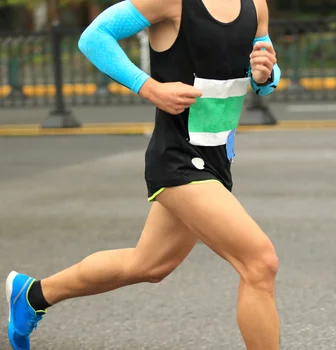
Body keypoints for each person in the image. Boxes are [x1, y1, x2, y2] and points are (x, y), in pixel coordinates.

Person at [5, 0, 281, 349]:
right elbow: (94, 37)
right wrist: (150, 87)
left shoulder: (256, 4)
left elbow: (264, 73)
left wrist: (265, 75)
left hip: (217, 160)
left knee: (148, 265)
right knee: (260, 263)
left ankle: (33, 295)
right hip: (178, 159)